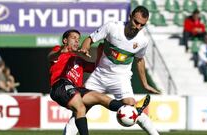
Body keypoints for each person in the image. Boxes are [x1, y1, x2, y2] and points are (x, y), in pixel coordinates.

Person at [78, 6, 160, 135]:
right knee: (79, 109)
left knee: (132, 111)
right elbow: (90, 39)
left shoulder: (143, 40)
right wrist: (85, 47)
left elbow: (139, 60)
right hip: (99, 75)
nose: (138, 27)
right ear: (130, 17)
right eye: (136, 22)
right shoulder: (112, 27)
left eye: (142, 25)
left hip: (121, 78)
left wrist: (145, 84)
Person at [49, 29, 131, 135]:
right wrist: (60, 51)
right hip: (60, 85)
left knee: (100, 98)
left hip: (74, 89)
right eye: (73, 38)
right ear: (65, 40)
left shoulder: (79, 60)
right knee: (80, 107)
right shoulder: (59, 51)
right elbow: (51, 56)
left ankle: (129, 109)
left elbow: (97, 67)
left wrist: (101, 52)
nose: (77, 41)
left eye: (78, 40)